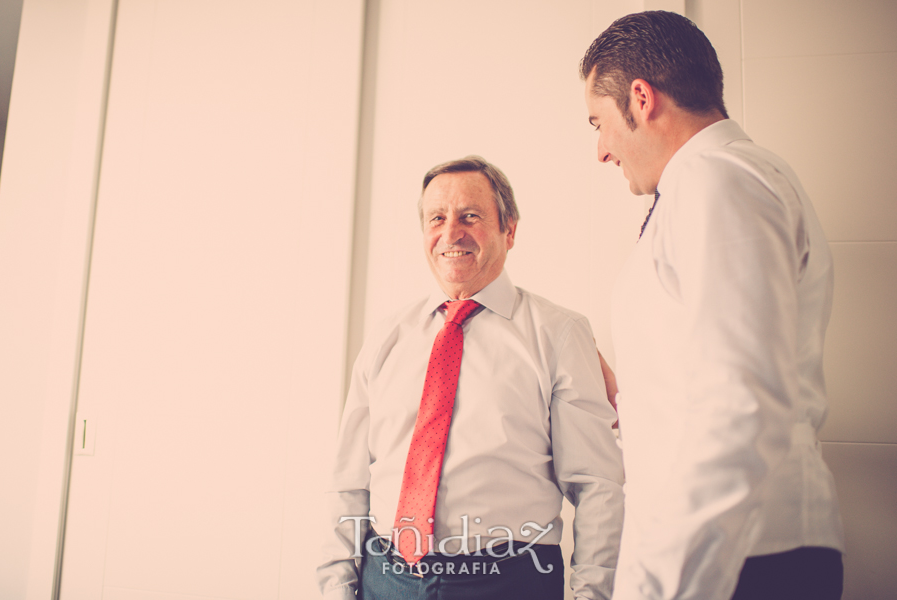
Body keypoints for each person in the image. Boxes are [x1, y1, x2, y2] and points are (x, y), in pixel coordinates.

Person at [579, 10, 845, 600]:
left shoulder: (718, 182)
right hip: (730, 552)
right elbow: (723, 375)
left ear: (642, 99)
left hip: (738, 561)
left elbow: (741, 406)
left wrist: (668, 587)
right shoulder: (708, 185)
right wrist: (633, 396)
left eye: (598, 122)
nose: (601, 150)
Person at [317, 156, 624, 600]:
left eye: (470, 216)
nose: (450, 233)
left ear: (510, 230)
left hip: (509, 582)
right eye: (436, 218)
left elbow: (597, 485)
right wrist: (335, 589)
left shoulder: (559, 334)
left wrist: (592, 595)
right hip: (383, 579)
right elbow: (349, 481)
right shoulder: (386, 336)